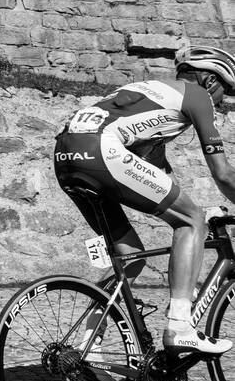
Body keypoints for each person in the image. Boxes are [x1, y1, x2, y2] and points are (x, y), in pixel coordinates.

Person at [53, 45, 235, 355]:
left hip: (65, 155)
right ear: (211, 81)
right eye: (226, 93)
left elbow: (159, 175)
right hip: (99, 149)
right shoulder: (197, 96)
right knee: (190, 221)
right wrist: (197, 217)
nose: (223, 103)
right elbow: (223, 174)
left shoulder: (148, 95)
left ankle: (87, 347)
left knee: (131, 255)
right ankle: (180, 325)